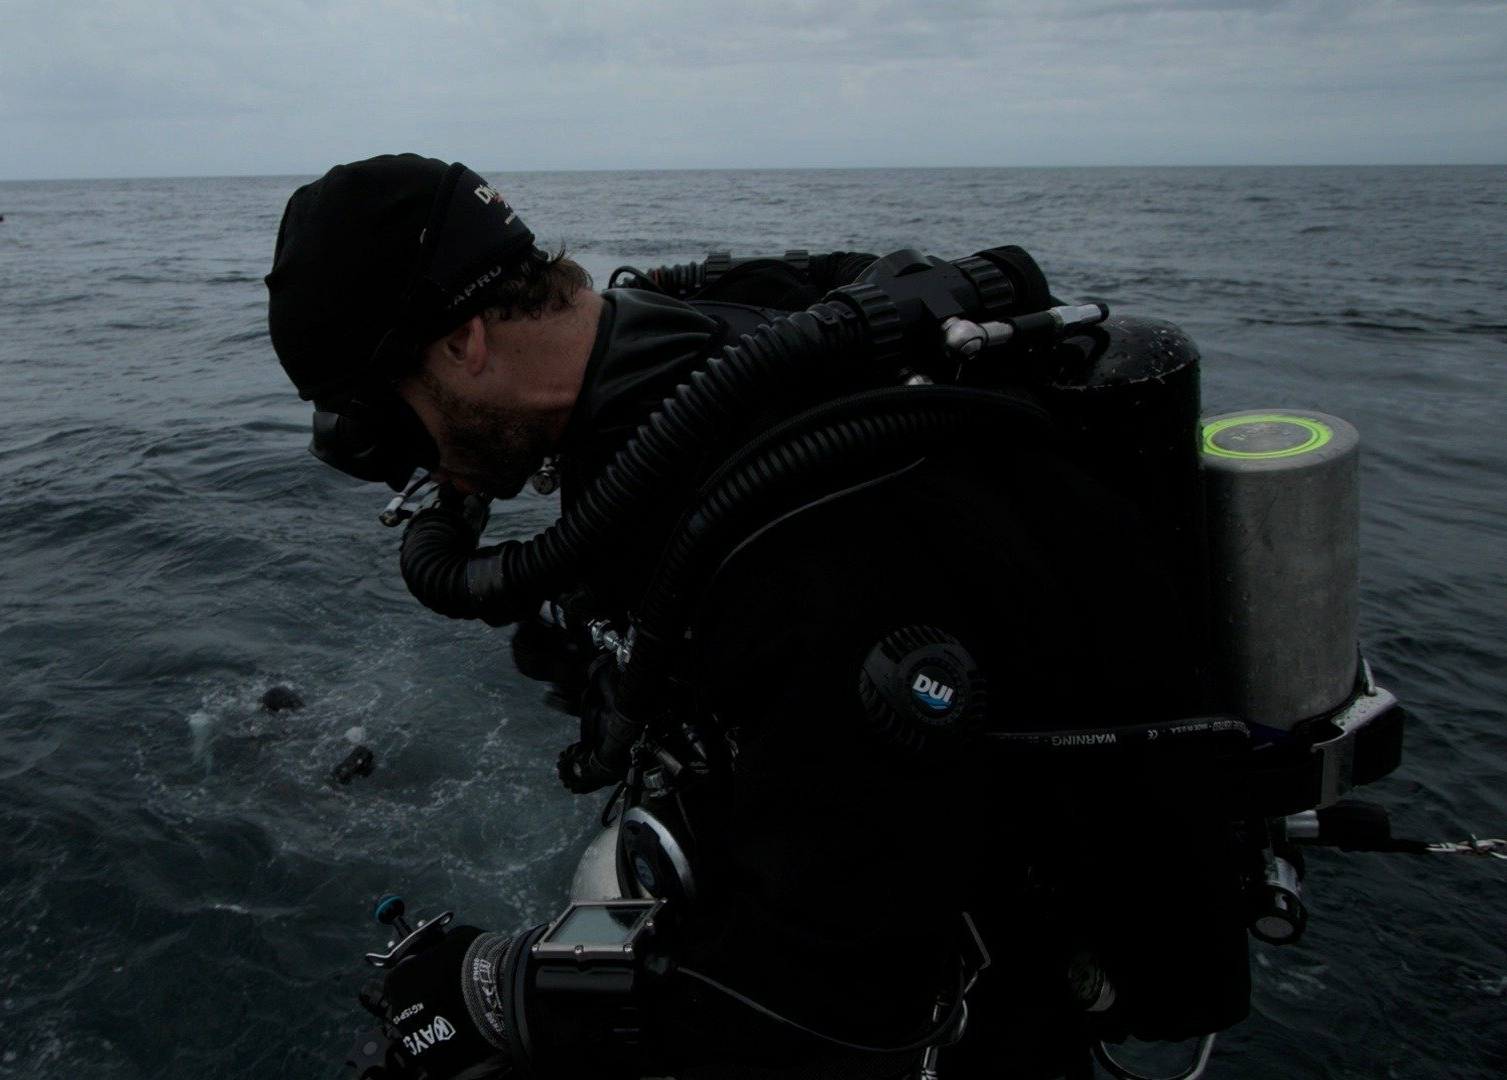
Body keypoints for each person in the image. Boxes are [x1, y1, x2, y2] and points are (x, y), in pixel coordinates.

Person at [265, 155, 1345, 1079]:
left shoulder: (789, 531)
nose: (412, 478)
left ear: (464, 344)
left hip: (969, 1007)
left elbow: (827, 1011)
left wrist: (490, 984)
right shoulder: (673, 380)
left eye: (388, 427)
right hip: (847, 860)